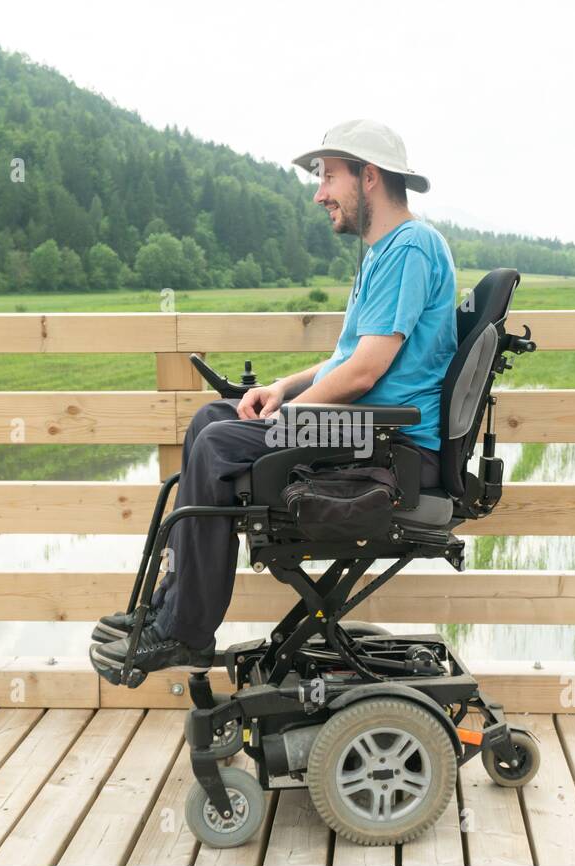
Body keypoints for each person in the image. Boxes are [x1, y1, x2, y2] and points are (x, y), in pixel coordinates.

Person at [89, 119, 458, 675]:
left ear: (370, 176)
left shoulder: (409, 249)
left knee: (217, 445)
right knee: (211, 419)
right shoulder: (385, 253)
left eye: (330, 177)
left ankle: (184, 631)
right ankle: (167, 607)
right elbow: (346, 360)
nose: (320, 193)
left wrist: (290, 417)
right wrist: (281, 390)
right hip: (369, 429)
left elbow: (364, 372)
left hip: (389, 440)